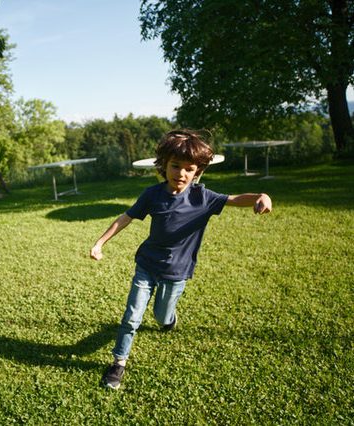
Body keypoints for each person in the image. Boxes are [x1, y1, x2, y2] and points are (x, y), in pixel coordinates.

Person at [90, 129, 272, 390]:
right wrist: (99, 242)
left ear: (197, 172)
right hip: (147, 265)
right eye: (175, 166)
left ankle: (169, 320)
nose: (181, 174)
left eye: (189, 169)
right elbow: (126, 218)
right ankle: (119, 362)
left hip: (177, 271)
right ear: (164, 165)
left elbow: (234, 199)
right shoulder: (152, 194)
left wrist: (260, 196)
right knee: (132, 316)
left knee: (161, 316)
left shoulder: (203, 198)